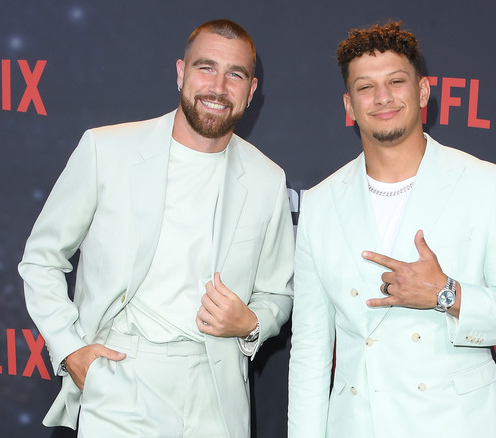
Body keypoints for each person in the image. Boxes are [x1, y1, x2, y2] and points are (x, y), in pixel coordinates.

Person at [18, 19, 294, 437]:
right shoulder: (106, 149)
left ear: (251, 90)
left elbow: (279, 291)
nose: (218, 86)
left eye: (235, 74)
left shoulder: (267, 179)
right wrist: (70, 349)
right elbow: (41, 259)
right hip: (120, 375)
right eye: (206, 68)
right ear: (181, 72)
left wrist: (252, 322)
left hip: (216, 387)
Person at [288, 22, 496, 438]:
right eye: (365, 87)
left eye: (396, 81)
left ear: (423, 91)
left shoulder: (482, 184)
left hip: (454, 425)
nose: (382, 98)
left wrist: (446, 294)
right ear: (348, 105)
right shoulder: (321, 203)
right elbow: (309, 352)